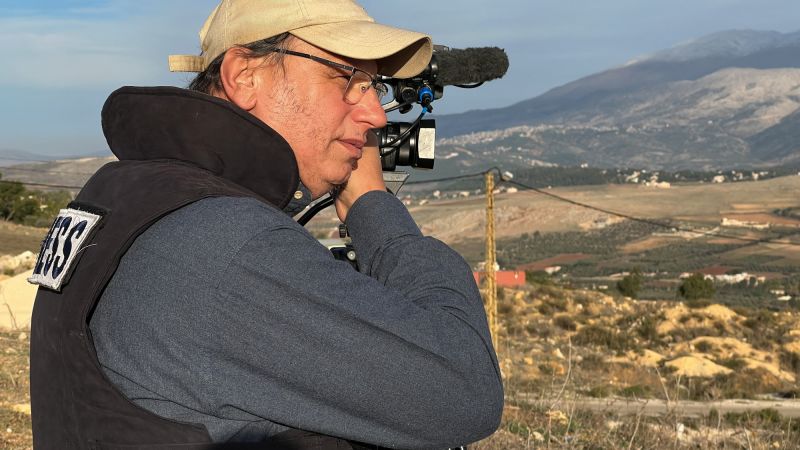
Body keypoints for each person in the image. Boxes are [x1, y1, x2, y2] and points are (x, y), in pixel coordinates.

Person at [28, 0, 503, 449]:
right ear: (245, 76)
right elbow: (464, 392)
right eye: (346, 78)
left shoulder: (127, 190)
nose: (376, 115)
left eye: (374, 87)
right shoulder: (227, 243)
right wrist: (372, 204)